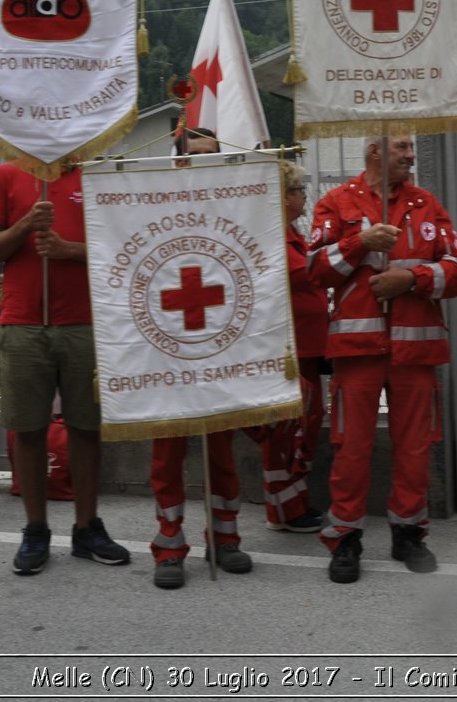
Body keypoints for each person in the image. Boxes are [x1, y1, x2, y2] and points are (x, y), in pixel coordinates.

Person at [307, 136, 457, 583]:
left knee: (415, 449)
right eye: (401, 146)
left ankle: (409, 533)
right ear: (374, 150)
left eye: (413, 147)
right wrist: (360, 242)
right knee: (352, 448)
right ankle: (345, 538)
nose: (411, 155)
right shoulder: (335, 203)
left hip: (415, 352)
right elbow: (315, 270)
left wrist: (411, 279)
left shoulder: (427, 204)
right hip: (356, 353)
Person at [0, 158, 130, 576]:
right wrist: (25, 224)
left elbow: (122, 248)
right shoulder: (4, 175)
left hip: (85, 322)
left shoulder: (96, 175)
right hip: (23, 323)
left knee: (86, 426)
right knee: (27, 429)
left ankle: (87, 528)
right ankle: (35, 529)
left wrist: (69, 251)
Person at [145, 128, 256, 589]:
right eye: (194, 156)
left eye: (212, 155)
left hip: (219, 344)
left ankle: (225, 538)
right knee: (166, 455)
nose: (203, 163)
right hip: (168, 345)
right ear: (178, 161)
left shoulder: (232, 207)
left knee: (221, 452)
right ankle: (168, 545)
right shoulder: (150, 207)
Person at [252, 158, 326, 534]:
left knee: (305, 425)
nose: (304, 196)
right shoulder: (271, 236)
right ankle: (284, 509)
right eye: (299, 190)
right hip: (288, 349)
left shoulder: (292, 232)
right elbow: (305, 272)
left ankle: (297, 500)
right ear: (281, 197)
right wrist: (349, 251)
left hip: (308, 348)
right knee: (284, 431)